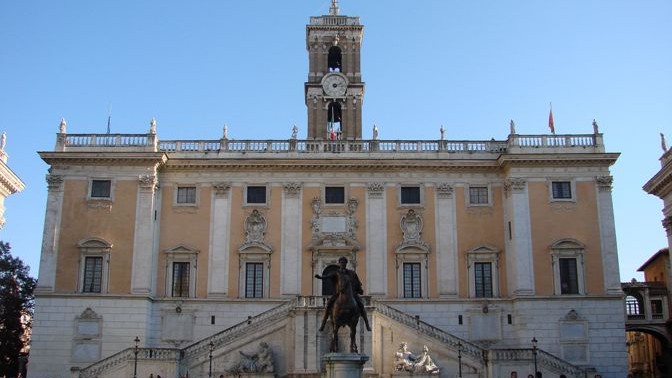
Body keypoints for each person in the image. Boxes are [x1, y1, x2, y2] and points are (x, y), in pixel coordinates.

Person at [315, 256, 371, 331]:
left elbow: (357, 282)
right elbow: (327, 277)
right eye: (341, 262)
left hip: (352, 294)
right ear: (339, 263)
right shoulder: (336, 273)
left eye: (344, 262)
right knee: (328, 305)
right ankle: (323, 324)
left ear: (346, 263)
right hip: (339, 293)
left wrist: (360, 289)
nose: (343, 264)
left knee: (361, 305)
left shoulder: (351, 273)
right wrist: (320, 277)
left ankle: (367, 324)